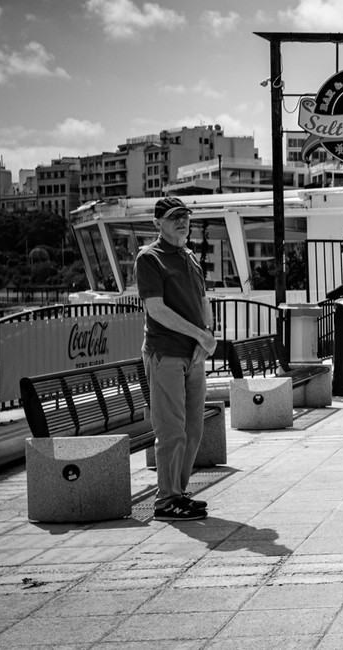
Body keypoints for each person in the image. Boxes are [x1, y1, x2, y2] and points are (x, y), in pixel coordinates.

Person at [135, 197, 217, 522]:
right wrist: (200, 336)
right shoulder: (149, 258)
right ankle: (166, 500)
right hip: (165, 353)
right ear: (157, 223)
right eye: (173, 217)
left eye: (184, 216)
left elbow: (203, 300)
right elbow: (156, 310)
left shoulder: (190, 256)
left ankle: (178, 494)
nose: (182, 221)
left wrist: (206, 334)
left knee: (194, 429)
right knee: (172, 431)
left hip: (193, 355)